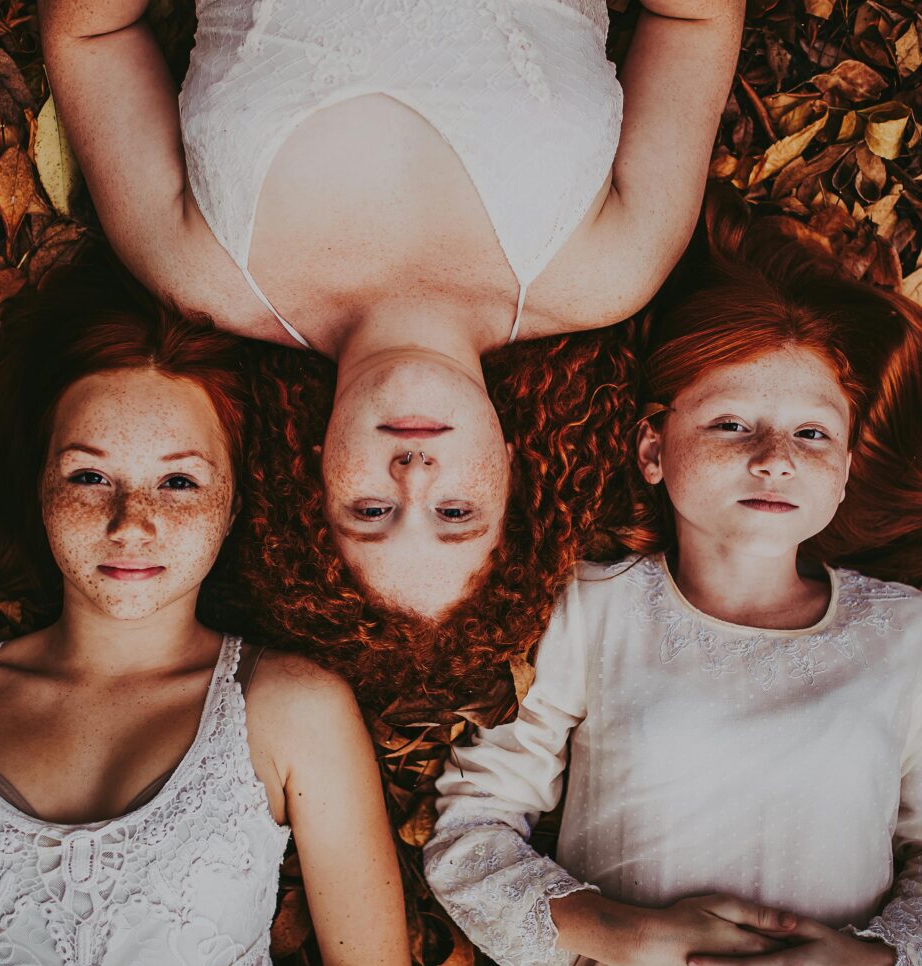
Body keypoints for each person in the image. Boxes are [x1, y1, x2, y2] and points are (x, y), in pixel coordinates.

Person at [37, 0, 745, 618]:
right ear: (509, 467)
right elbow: (695, 17)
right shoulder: (610, 271)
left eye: (371, 512)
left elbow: (91, 38)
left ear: (318, 475)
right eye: (456, 513)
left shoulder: (201, 275)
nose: (412, 474)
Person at [422, 194, 922, 966]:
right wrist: (630, 936)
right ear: (654, 449)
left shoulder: (905, 634)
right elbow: (471, 831)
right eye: (732, 424)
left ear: (842, 471)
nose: (773, 460)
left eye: (812, 435)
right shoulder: (593, 607)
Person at [0, 268, 413, 966]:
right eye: (89, 475)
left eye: (178, 483)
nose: (131, 522)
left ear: (233, 501)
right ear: (41, 484)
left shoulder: (290, 710)